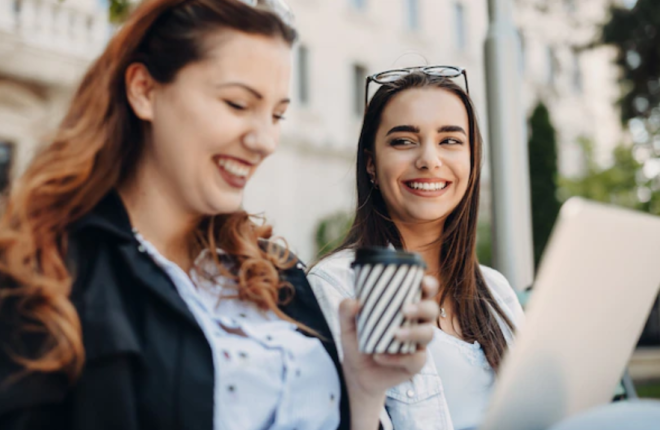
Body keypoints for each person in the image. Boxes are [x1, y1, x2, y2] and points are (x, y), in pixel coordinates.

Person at [0, 2, 440, 429]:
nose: (266, 139)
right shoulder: (48, 275)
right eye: (237, 104)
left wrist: (364, 389)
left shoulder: (274, 273)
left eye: (278, 114)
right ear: (144, 90)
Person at [308, 68, 525, 430]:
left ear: (472, 163)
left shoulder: (496, 291)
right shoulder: (339, 286)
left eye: (450, 141)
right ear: (371, 165)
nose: (428, 159)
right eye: (404, 141)